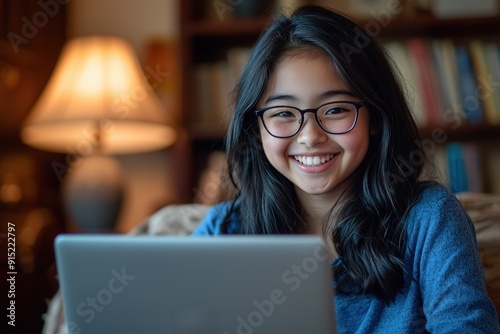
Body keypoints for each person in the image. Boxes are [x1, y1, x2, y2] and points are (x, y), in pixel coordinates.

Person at [192, 5, 500, 333]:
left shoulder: (429, 218)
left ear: (376, 120)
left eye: (336, 109)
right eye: (283, 113)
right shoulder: (223, 230)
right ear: (256, 128)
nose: (310, 136)